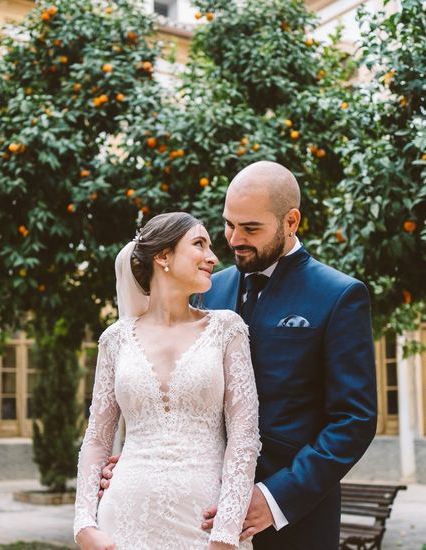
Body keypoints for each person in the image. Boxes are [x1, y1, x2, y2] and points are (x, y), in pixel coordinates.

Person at [100, 161, 377, 549]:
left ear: (291, 221)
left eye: (250, 229)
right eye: (229, 224)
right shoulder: (206, 291)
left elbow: (354, 420)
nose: (233, 239)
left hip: (294, 524)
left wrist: (275, 497)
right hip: (198, 517)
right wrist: (139, 463)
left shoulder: (339, 295)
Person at [73, 212, 262, 550]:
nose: (213, 257)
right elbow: (98, 439)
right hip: (125, 520)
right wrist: (84, 522)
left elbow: (244, 438)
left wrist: (226, 531)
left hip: (205, 524)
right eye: (199, 244)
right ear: (163, 256)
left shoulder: (227, 329)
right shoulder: (115, 340)